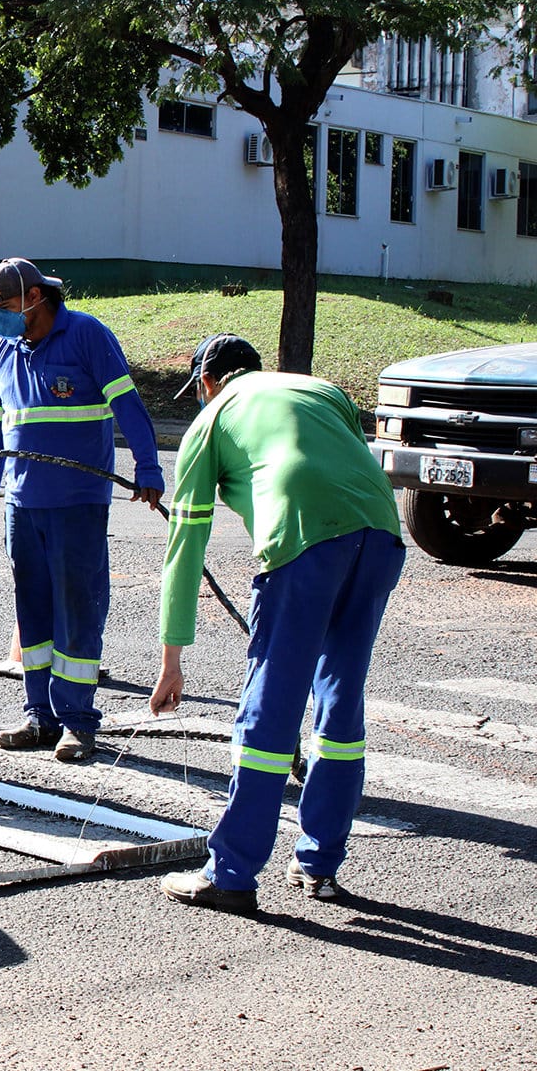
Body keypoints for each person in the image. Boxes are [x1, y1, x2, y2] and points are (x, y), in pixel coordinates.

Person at [150, 334, 404, 912]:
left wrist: (172, 658)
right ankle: (319, 865)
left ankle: (232, 874)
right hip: (382, 533)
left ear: (208, 383)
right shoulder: (321, 390)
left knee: (270, 706)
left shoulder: (211, 420)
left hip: (303, 543)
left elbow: (185, 547)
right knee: (340, 696)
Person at [0, 257, 165, 762]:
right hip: (23, 504)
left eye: (6, 306)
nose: (0, 317)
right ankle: (39, 716)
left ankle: (78, 721)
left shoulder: (87, 335)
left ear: (35, 297)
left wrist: (148, 467)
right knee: (32, 610)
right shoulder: (3, 352)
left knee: (78, 609)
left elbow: (128, 404)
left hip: (77, 503)